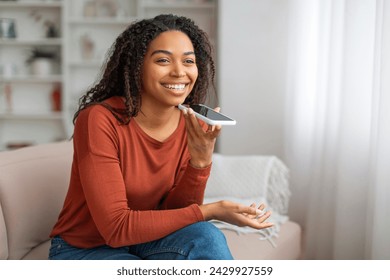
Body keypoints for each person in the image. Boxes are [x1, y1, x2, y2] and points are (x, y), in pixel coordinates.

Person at [49, 14, 273, 260]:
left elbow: (176, 215)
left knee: (206, 236)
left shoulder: (190, 122)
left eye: (189, 61)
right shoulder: (100, 120)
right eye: (163, 60)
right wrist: (211, 210)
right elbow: (116, 228)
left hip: (147, 240)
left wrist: (200, 162)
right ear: (136, 67)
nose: (179, 72)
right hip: (85, 249)